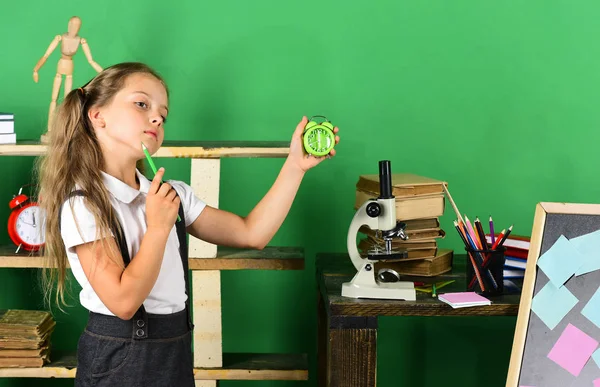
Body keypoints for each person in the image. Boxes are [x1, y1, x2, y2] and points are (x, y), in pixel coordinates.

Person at [36, 62, 340, 387]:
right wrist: (158, 227)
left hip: (176, 351)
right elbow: (124, 302)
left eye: (162, 115)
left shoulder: (172, 195)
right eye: (142, 104)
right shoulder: (84, 204)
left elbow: (253, 233)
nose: (156, 117)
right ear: (98, 115)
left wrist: (296, 165)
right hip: (119, 361)